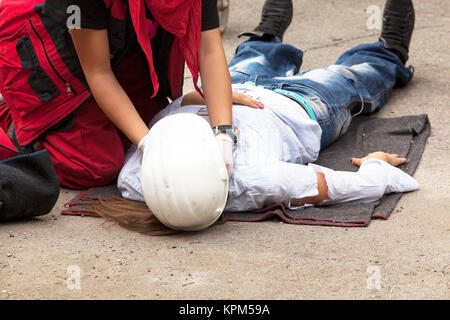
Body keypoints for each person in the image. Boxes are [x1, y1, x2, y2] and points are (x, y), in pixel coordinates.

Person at [91, 0, 419, 234]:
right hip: (297, 106)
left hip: (224, 91)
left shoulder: (138, 179)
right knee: (355, 75)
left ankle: (267, 32)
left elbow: (199, 69)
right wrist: (376, 163)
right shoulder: (256, 180)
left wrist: (197, 100)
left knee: (248, 56)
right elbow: (358, 186)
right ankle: (389, 48)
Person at [0, 0, 235, 189]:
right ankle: (20, 123)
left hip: (117, 52)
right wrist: (152, 147)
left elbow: (209, 50)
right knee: (95, 166)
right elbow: (98, 71)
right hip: (40, 46)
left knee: (151, 122)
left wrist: (223, 132)